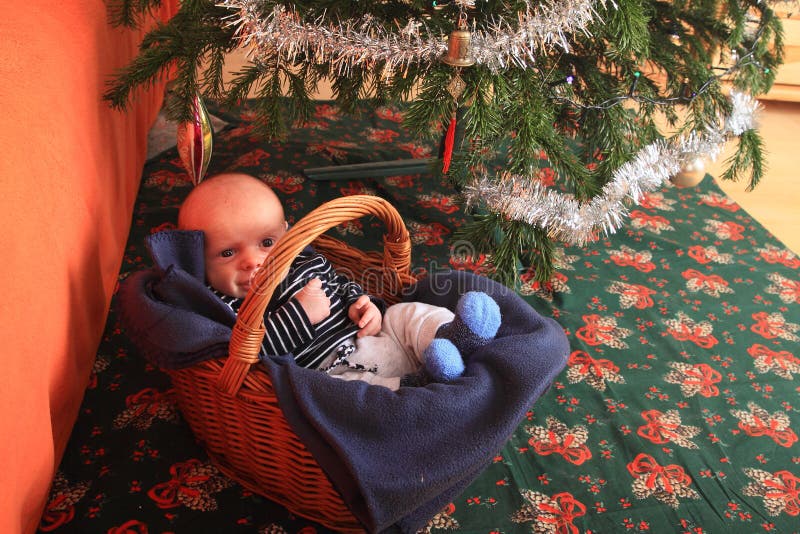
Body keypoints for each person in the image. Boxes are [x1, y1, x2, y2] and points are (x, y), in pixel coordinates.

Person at [177, 172, 502, 390]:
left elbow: (342, 284)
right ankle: (422, 385)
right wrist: (300, 315)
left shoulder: (304, 260)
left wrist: (365, 305)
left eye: (266, 243)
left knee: (405, 313)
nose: (253, 261)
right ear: (200, 264)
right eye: (227, 253)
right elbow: (250, 352)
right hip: (331, 369)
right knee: (349, 398)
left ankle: (455, 336)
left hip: (379, 337)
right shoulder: (223, 304)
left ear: (287, 235)